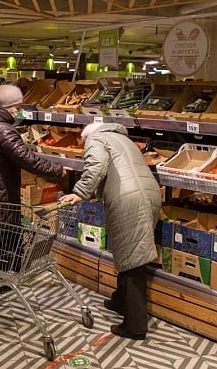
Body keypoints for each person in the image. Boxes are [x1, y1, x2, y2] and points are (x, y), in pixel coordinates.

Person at [60, 123, 161, 340]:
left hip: (128, 199)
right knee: (130, 252)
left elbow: (96, 164)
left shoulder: (95, 139)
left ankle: (135, 326)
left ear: (86, 136)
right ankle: (120, 301)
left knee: (134, 261)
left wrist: (80, 192)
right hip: (149, 194)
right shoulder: (122, 139)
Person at [0, 84, 67, 292]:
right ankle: (1, 280)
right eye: (16, 107)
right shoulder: (2, 130)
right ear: (7, 107)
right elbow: (27, 159)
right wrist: (57, 170)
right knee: (5, 234)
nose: (17, 111)